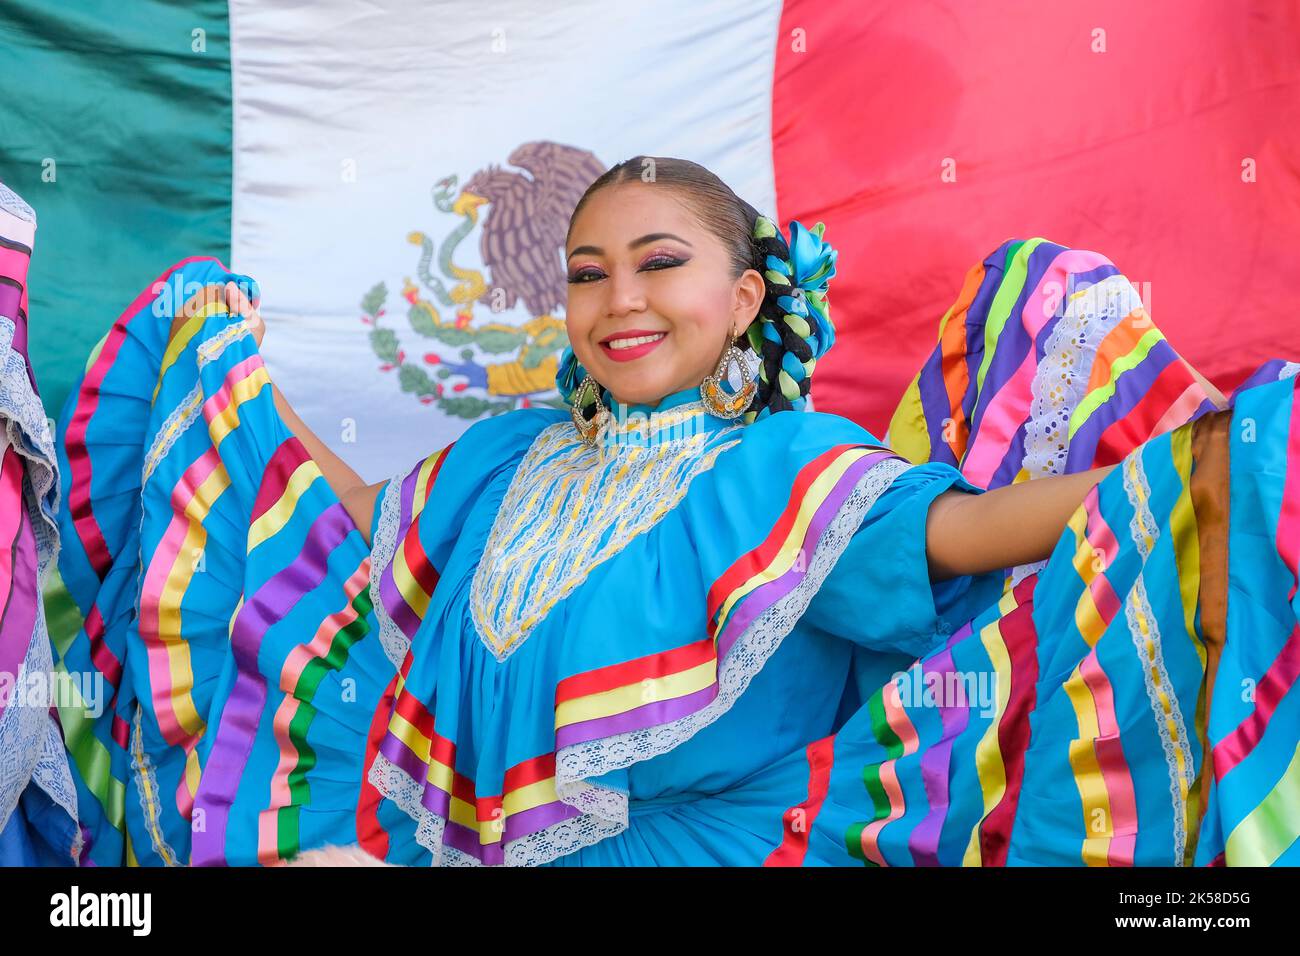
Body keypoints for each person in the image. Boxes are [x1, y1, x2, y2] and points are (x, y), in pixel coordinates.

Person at [52, 157, 1298, 867]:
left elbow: (978, 530)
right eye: (588, 273)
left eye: (660, 261)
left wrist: (1204, 461)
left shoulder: (794, 467)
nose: (617, 298)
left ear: (747, 294)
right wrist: (242, 380)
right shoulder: (504, 459)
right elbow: (346, 518)